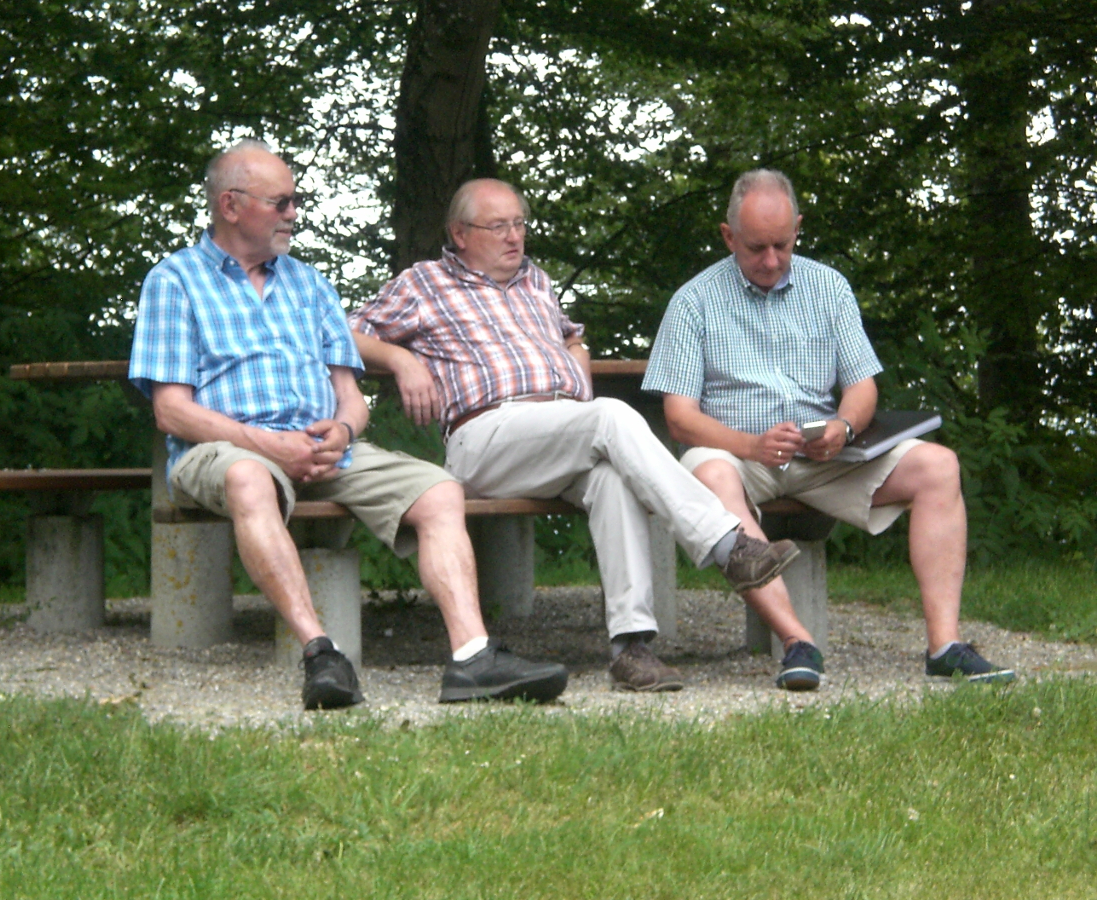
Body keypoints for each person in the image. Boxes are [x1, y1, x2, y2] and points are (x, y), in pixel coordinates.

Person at [128, 142, 568, 710]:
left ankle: (472, 658)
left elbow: (350, 399)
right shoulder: (174, 281)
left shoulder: (310, 284)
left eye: (296, 200)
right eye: (282, 201)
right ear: (231, 206)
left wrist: (343, 430)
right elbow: (172, 411)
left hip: (321, 447)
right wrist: (267, 445)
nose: (293, 213)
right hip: (224, 447)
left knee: (438, 490)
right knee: (248, 479)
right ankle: (321, 655)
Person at [349, 177, 801, 693]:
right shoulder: (424, 282)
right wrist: (401, 359)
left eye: (520, 224)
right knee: (609, 415)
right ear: (459, 233)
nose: (514, 237)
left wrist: (576, 362)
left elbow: (572, 335)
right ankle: (728, 546)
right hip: (487, 436)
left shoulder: (534, 281)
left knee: (612, 475)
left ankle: (632, 648)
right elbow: (343, 330)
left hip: (561, 433)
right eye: (498, 227)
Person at [643, 167, 1016, 690]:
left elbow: (863, 387)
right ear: (728, 237)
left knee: (939, 466)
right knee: (709, 477)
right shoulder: (693, 301)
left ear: (798, 227)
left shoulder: (829, 286)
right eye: (756, 248)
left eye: (782, 244)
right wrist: (752, 444)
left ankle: (945, 645)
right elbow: (680, 418)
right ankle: (799, 642)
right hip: (736, 454)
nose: (771, 260)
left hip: (821, 458)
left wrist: (842, 425)